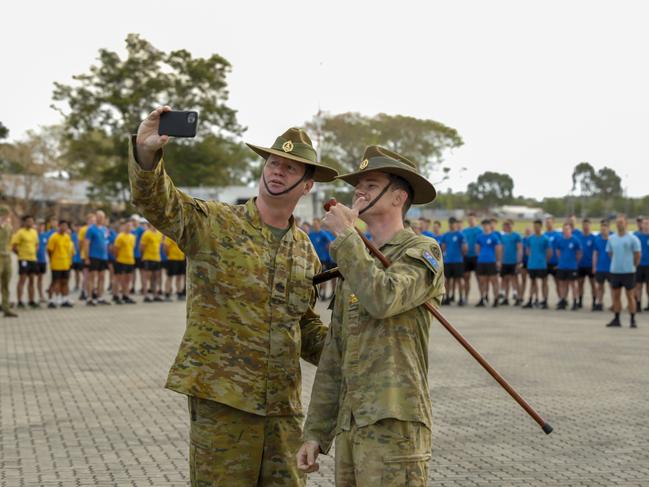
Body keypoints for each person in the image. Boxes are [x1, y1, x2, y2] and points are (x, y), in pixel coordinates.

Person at [130, 106, 335, 486]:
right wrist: (146, 154)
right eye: (273, 162)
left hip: (283, 410)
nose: (277, 171)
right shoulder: (214, 223)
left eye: (290, 168)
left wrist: (354, 346)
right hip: (224, 402)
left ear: (308, 185)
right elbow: (158, 203)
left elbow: (304, 326)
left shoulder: (304, 249)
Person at [298, 145, 443, 485]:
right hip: (352, 425)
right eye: (358, 185)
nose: (359, 191)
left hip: (395, 426)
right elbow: (336, 353)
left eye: (372, 185)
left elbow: (383, 298)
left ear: (398, 198)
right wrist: (316, 432)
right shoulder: (356, 258)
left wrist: (347, 237)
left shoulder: (421, 251)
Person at [606, 214, 641, 328]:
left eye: (621, 222)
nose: (619, 224)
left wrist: (633, 265)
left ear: (626, 223)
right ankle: (616, 319)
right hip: (615, 271)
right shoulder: (611, 238)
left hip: (628, 272)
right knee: (616, 295)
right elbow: (610, 253)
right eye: (617, 222)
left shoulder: (632, 238)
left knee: (630, 296)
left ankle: (632, 319)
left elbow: (637, 254)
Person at [11, 215, 39, 308]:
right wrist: (20, 255)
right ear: (24, 222)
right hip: (23, 260)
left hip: (33, 259)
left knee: (32, 280)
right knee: (22, 280)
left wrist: (35, 250)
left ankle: (31, 300)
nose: (30, 223)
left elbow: (36, 244)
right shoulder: (20, 232)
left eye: (31, 221)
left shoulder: (34, 232)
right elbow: (14, 246)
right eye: (28, 221)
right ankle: (20, 301)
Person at [84, 210, 110, 306]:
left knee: (102, 277)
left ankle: (100, 297)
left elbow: (106, 243)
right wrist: (87, 258)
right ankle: (90, 297)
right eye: (99, 216)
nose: (101, 218)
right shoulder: (91, 229)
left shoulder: (105, 229)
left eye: (102, 217)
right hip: (94, 256)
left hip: (103, 257)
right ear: (96, 217)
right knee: (92, 277)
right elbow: (86, 244)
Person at [46, 220, 75, 308]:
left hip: (65, 264)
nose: (64, 228)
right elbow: (49, 250)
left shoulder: (67, 237)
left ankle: (64, 299)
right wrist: (52, 259)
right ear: (59, 226)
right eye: (62, 226)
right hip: (56, 263)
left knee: (65, 281)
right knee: (55, 282)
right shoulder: (54, 237)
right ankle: (53, 299)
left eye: (66, 226)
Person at [523, 220, 551, 309]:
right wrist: (531, 258)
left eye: (538, 226)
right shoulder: (530, 238)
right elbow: (527, 250)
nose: (536, 228)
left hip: (542, 264)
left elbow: (549, 252)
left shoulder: (545, 238)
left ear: (541, 227)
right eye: (535, 226)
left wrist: (544, 260)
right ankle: (532, 300)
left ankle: (545, 300)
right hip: (532, 264)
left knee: (544, 282)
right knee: (533, 283)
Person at [554, 222, 582, 310]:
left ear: (571, 230)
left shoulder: (575, 240)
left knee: (573, 284)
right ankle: (563, 300)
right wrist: (561, 260)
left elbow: (579, 253)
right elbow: (558, 252)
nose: (566, 231)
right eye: (564, 229)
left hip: (572, 266)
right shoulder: (560, 240)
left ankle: (574, 301)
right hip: (562, 266)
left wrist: (575, 262)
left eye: (567, 229)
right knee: (562, 284)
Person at [475, 219, 502, 307]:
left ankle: (496, 299)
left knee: (494, 281)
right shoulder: (480, 237)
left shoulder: (494, 236)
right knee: (482, 281)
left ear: (490, 226)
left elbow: (498, 249)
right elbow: (477, 248)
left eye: (487, 225)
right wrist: (481, 256)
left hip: (491, 261)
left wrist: (498, 260)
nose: (485, 227)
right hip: (482, 261)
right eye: (484, 225)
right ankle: (482, 298)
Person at [440, 216, 466, 305]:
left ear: (456, 224)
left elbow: (464, 247)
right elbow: (443, 247)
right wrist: (445, 255)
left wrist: (460, 256)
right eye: (450, 223)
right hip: (448, 261)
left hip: (458, 260)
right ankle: (447, 297)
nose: (451, 224)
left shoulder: (460, 234)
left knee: (459, 280)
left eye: (453, 223)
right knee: (447, 280)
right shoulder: (446, 235)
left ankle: (461, 298)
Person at [308, 218, 336, 300]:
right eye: (314, 224)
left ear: (319, 224)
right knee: (314, 276)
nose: (315, 225)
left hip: (323, 259)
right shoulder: (311, 234)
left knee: (323, 276)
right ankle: (318, 292)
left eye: (316, 223)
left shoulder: (323, 234)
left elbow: (331, 243)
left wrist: (328, 249)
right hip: (313, 258)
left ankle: (323, 293)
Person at [112, 220, 137, 304]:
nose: (129, 227)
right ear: (124, 227)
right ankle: (116, 295)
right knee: (119, 279)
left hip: (130, 261)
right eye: (127, 226)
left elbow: (132, 248)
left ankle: (125, 295)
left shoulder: (132, 237)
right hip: (121, 260)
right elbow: (115, 249)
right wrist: (117, 258)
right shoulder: (120, 236)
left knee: (128, 279)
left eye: (130, 226)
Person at [499, 219, 523, 305]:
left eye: (509, 225)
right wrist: (500, 260)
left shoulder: (516, 236)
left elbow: (520, 248)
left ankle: (518, 297)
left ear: (512, 225)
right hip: (505, 261)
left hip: (513, 261)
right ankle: (505, 297)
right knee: (504, 279)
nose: (507, 227)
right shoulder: (502, 236)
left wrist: (519, 261)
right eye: (505, 225)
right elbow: (501, 249)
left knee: (514, 279)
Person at [0, 205, 18, 317]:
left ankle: (6, 308)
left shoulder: (9, 227)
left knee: (6, 284)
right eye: (6, 214)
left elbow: (11, 240)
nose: (8, 216)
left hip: (7, 257)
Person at [139, 223, 164, 303]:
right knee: (147, 277)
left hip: (157, 258)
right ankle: (146, 295)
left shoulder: (159, 234)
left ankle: (155, 294)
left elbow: (161, 244)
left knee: (155, 277)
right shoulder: (146, 234)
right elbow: (141, 247)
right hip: (148, 258)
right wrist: (143, 256)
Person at [462, 212, 482, 304]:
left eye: (472, 219)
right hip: (467, 257)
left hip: (477, 257)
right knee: (466, 278)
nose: (470, 221)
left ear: (475, 220)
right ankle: (466, 298)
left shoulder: (480, 230)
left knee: (479, 278)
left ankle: (482, 298)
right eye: (469, 219)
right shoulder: (464, 231)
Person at [576, 218, 596, 310]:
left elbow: (596, 252)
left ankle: (594, 302)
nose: (586, 227)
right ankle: (580, 301)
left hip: (590, 265)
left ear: (590, 226)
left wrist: (594, 265)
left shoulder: (593, 238)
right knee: (580, 283)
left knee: (593, 284)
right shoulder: (578, 237)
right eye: (584, 225)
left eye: (587, 225)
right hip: (580, 265)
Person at [592, 219, 612, 312]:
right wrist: (594, 266)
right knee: (600, 286)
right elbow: (595, 254)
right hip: (600, 267)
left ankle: (614, 303)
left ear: (609, 229)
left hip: (611, 268)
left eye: (605, 228)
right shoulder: (597, 240)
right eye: (602, 228)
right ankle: (599, 302)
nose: (603, 230)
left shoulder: (613, 239)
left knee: (612, 287)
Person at [163, 236, 186, 301]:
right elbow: (165, 246)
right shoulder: (170, 236)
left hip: (181, 259)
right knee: (170, 277)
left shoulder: (181, 236)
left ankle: (179, 293)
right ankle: (167, 294)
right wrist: (168, 255)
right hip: (172, 259)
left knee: (179, 277)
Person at [634, 216, 649, 311]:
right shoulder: (636, 236)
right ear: (641, 225)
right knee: (638, 286)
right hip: (639, 265)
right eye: (645, 223)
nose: (646, 225)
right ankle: (638, 303)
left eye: (648, 223)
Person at [544, 217, 561, 296]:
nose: (548, 224)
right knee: (544, 282)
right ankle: (545, 300)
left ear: (553, 223)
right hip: (545, 263)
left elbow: (561, 249)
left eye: (550, 222)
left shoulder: (558, 235)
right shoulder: (543, 235)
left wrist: (560, 263)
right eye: (547, 222)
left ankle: (561, 299)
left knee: (558, 282)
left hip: (555, 262)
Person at [130, 214, 146, 294]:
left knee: (142, 272)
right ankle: (132, 287)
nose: (133, 222)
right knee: (133, 272)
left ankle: (143, 287)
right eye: (132, 220)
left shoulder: (142, 230)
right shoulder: (130, 230)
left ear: (138, 221)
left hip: (140, 254)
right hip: (132, 254)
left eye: (135, 220)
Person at [70, 222, 83, 292]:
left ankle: (83, 286)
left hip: (81, 257)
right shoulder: (72, 235)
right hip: (75, 258)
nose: (78, 228)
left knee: (83, 273)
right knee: (76, 273)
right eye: (76, 227)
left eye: (79, 227)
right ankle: (77, 285)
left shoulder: (82, 235)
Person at [520, 227, 531, 304]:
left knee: (533, 281)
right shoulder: (522, 240)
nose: (527, 232)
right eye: (526, 230)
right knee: (523, 280)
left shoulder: (532, 239)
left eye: (529, 230)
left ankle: (532, 297)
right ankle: (521, 296)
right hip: (524, 262)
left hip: (531, 262)